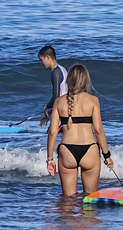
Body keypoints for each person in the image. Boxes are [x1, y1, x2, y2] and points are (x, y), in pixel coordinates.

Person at [46, 64, 113, 195]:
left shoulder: (59, 102)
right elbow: (98, 130)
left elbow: (52, 132)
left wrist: (49, 159)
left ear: (69, 80)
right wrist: (107, 156)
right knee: (90, 198)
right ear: (85, 80)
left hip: (67, 151)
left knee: (67, 200)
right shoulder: (93, 100)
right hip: (89, 150)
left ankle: (66, 215)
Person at [38, 45, 67, 127]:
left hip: (62, 111)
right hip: (65, 108)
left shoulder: (55, 72)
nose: (41, 63)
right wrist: (48, 112)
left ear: (48, 57)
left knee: (51, 135)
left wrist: (47, 107)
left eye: (41, 60)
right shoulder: (61, 68)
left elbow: (56, 97)